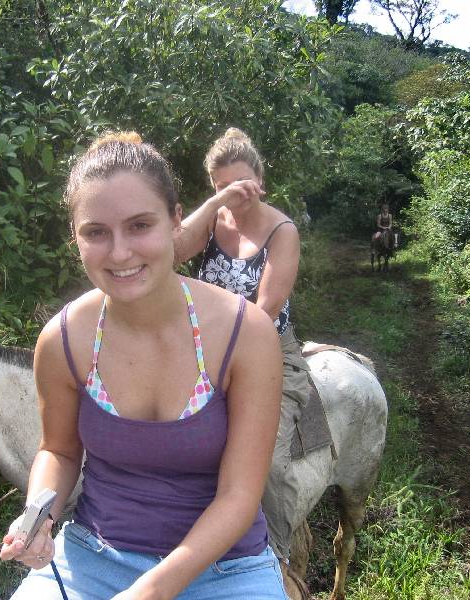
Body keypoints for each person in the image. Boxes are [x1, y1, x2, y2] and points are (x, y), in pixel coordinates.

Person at [0, 132, 288, 600]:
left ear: (176, 220)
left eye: (139, 225)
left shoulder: (245, 333)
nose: (119, 253)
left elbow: (239, 496)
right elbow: (59, 451)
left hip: (225, 570)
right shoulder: (64, 339)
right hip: (95, 557)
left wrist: (147, 594)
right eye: (96, 232)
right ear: (76, 239)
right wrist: (39, 514)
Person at [173, 127, 315, 598]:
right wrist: (215, 205)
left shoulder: (282, 231)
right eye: (221, 187)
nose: (234, 194)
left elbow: (264, 313)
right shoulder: (216, 220)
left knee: (267, 462)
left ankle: (274, 557)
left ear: (260, 177)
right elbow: (172, 249)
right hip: (200, 351)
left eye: (241, 183)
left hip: (266, 353)